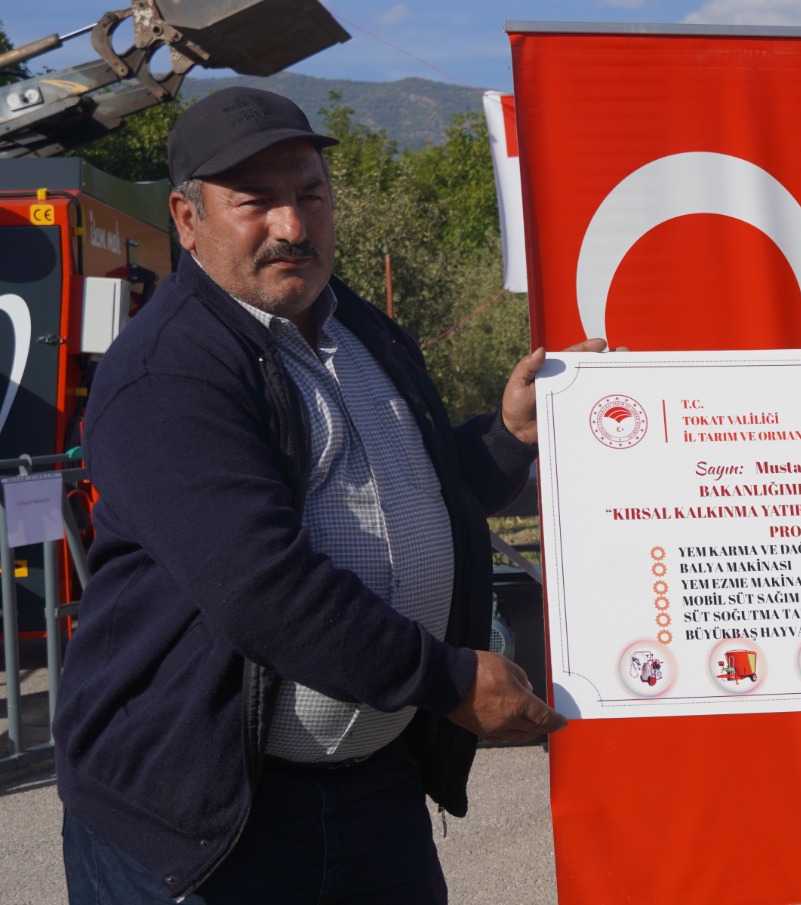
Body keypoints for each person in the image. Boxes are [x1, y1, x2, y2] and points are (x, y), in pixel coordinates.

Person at [54, 87, 594, 904]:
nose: (293, 226)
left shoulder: (368, 334)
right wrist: (450, 680)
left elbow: (424, 491)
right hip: (205, 815)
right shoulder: (171, 369)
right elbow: (262, 586)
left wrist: (507, 436)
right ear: (188, 218)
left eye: (311, 195)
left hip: (373, 791)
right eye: (255, 202)